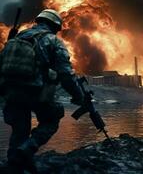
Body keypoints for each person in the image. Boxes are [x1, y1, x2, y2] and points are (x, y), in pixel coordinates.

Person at [0, 9, 84, 173]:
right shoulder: (52, 40)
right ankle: (26, 150)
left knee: (19, 129)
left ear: (39, 21)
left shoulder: (17, 38)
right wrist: (78, 96)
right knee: (51, 120)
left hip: (10, 92)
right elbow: (65, 74)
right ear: (55, 26)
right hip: (35, 91)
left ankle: (15, 164)